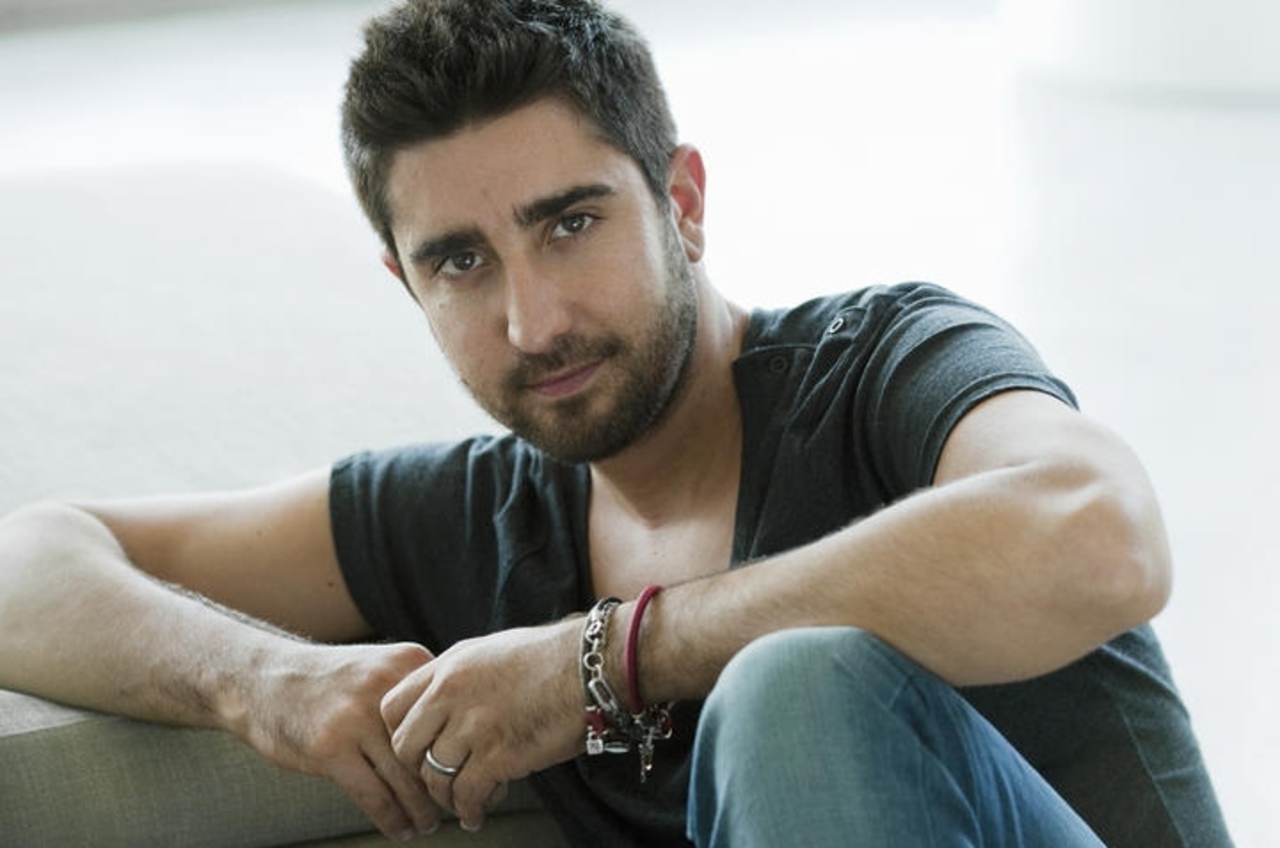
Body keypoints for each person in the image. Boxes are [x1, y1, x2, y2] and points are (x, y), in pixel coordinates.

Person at [0, 0, 1233, 845]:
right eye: (460, 262)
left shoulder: (879, 364)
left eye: (570, 224)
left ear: (680, 202)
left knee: (794, 684)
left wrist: (602, 659)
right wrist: (263, 679)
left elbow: (1097, 537)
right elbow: (32, 560)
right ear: (405, 284)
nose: (532, 321)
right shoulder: (472, 518)